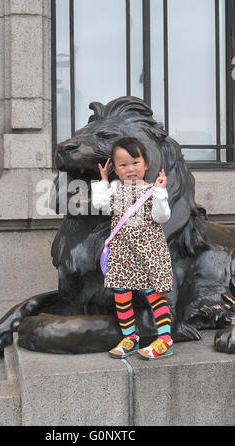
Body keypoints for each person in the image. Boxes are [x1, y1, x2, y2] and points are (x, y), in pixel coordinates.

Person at [91, 137, 173, 360]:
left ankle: (165, 340)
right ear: (116, 169)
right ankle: (131, 338)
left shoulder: (152, 190)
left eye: (135, 162)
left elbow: (162, 216)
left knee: (155, 294)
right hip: (123, 252)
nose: (130, 169)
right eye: (123, 164)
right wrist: (103, 180)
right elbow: (99, 205)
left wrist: (160, 192)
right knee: (121, 295)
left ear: (146, 164)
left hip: (148, 252)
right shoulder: (116, 190)